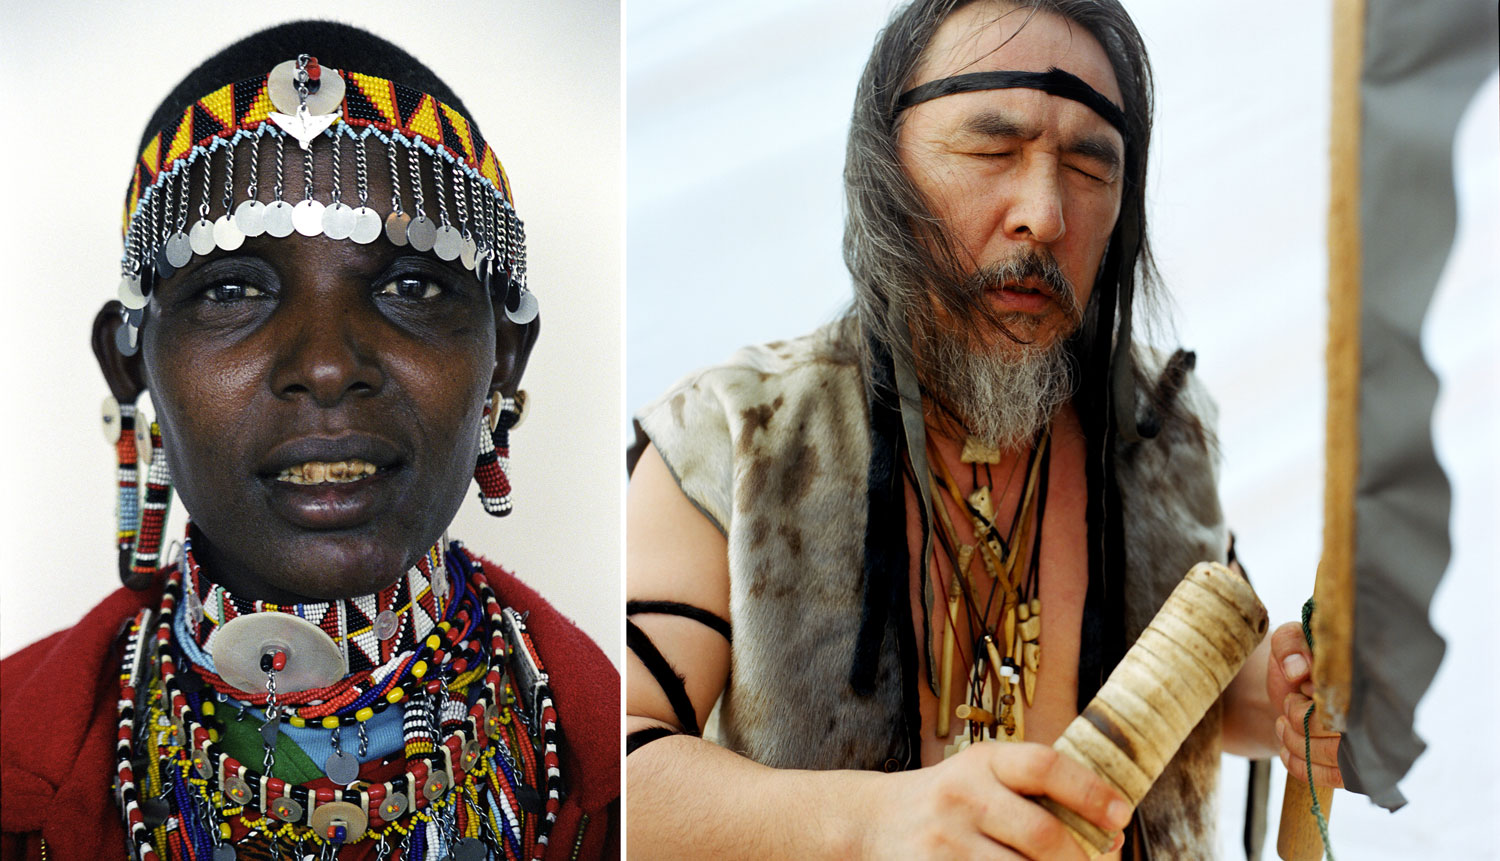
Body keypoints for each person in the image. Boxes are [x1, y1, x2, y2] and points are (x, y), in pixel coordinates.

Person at [625, 1, 1340, 857]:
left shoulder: (1161, 436)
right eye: (991, 149)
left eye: (1088, 166)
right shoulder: (739, 435)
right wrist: (875, 821)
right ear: (885, 172)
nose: (1045, 212)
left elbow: (1210, 702)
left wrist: (1300, 699)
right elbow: (611, 762)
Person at [0, 22, 618, 860]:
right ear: (129, 363)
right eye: (229, 289)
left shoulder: (616, 766)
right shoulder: (17, 757)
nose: (327, 366)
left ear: (504, 359)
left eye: (410, 283)